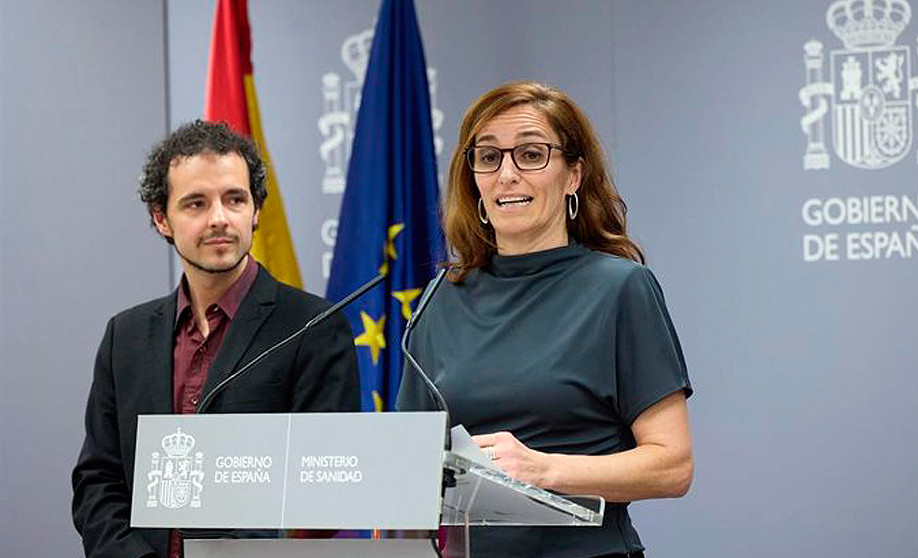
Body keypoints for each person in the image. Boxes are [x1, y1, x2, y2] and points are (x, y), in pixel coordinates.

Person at [397, 82, 692, 558]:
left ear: (573, 174)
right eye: (489, 157)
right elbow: (408, 464)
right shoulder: (439, 298)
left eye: (531, 155)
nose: (507, 175)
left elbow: (672, 466)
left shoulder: (620, 288)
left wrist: (544, 470)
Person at [71, 120, 360, 558]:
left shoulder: (313, 327)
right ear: (161, 218)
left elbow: (325, 497)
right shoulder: (124, 336)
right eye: (195, 204)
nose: (219, 218)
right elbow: (98, 484)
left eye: (235, 199)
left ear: (256, 210)